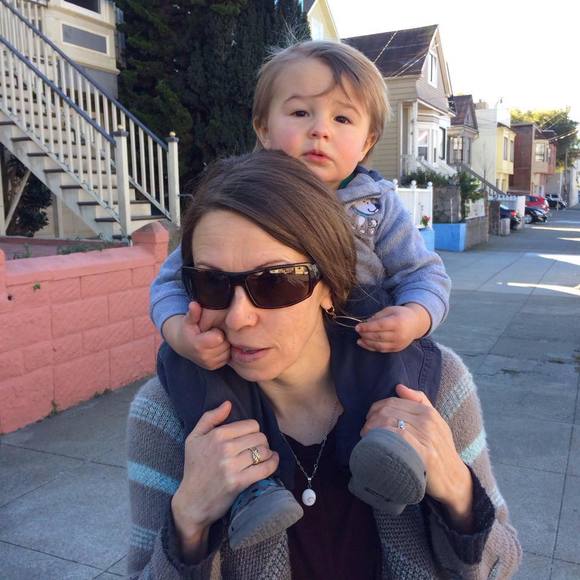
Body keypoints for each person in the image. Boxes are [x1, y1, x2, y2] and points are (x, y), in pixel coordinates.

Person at [127, 151, 521, 579]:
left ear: (330, 285)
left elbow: (503, 564)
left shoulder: (436, 386)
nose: (238, 318)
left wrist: (459, 492)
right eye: (211, 282)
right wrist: (188, 523)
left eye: (275, 282)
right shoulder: (165, 413)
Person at [148, 40, 452, 547]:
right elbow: (168, 284)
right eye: (300, 112)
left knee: (405, 355)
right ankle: (249, 484)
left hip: (362, 338)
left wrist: (415, 316)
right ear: (263, 129)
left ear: (368, 141)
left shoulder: (376, 206)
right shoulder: (233, 204)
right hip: (245, 367)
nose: (320, 129)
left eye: (342, 118)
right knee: (182, 364)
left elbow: (425, 274)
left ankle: (391, 449)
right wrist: (181, 333)